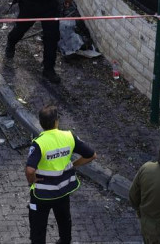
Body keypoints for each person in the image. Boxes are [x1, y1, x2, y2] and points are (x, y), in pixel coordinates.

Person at [25, 104, 95, 244]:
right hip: (63, 191)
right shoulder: (69, 136)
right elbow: (92, 155)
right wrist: (73, 165)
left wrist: (32, 181)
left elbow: (30, 170)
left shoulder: (39, 143)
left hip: (41, 195)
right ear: (57, 121)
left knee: (38, 226)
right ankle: (64, 241)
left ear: (41, 123)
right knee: (64, 221)